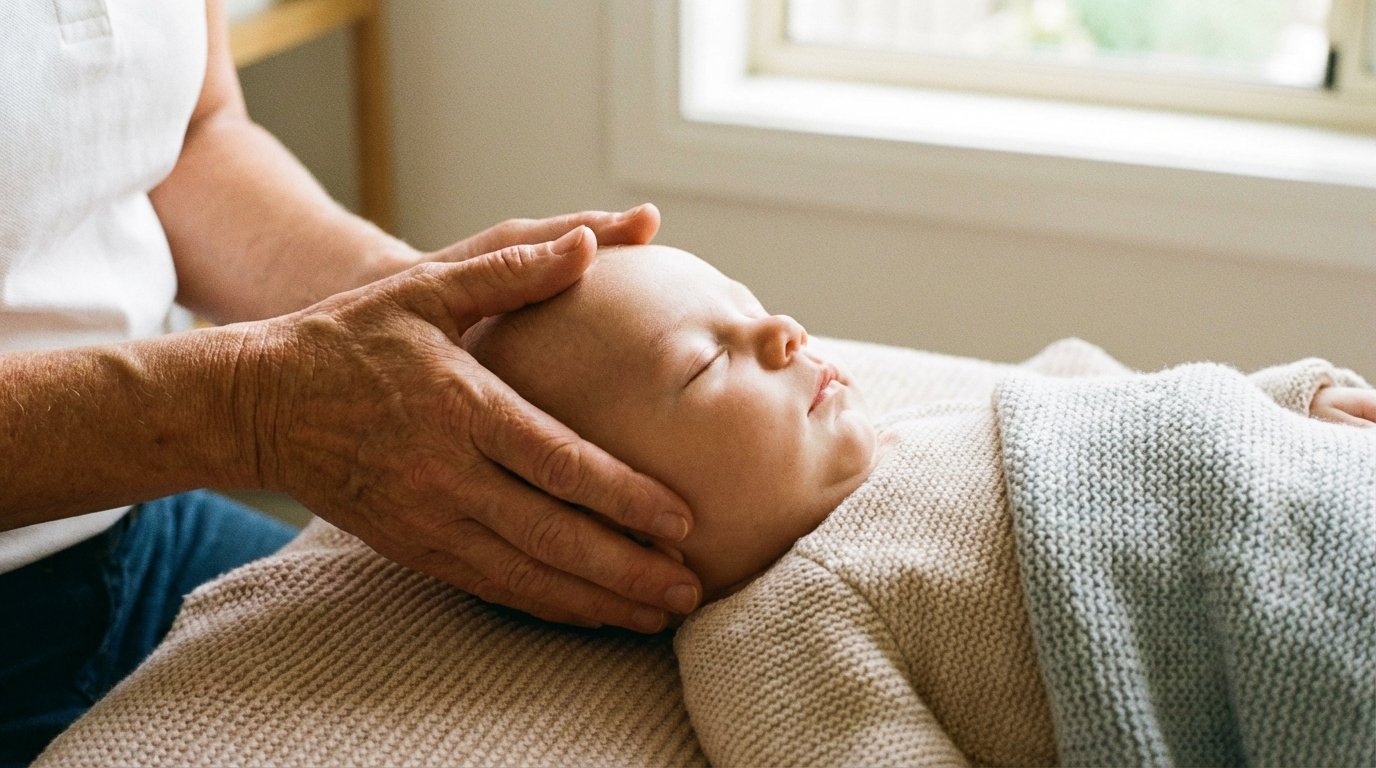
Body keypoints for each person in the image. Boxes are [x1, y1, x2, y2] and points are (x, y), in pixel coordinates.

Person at [0, 1, 700, 763]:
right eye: (706, 363)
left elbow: (189, 137)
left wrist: (401, 293)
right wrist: (250, 409)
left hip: (137, 530)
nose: (782, 336)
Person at [464, 243, 1376, 766]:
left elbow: (1113, 403)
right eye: (707, 362)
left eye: (750, 305)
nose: (784, 331)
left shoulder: (909, 428)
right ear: (621, 534)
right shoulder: (773, 629)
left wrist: (1286, 397)